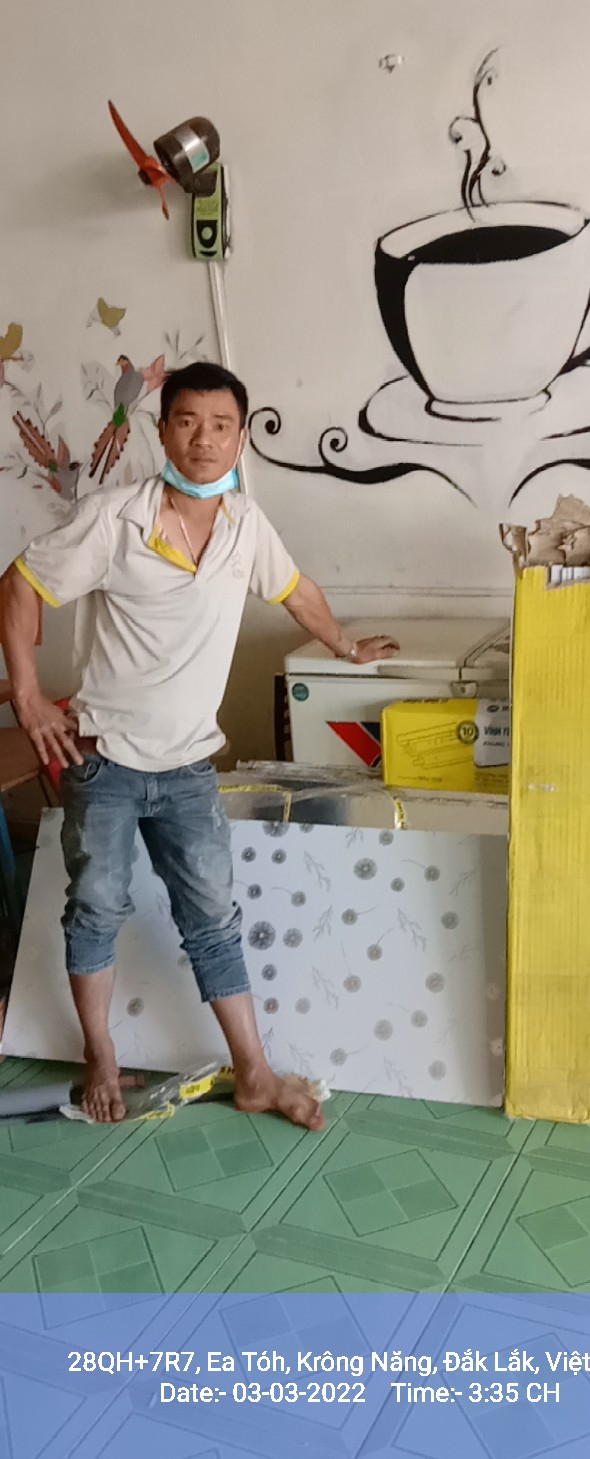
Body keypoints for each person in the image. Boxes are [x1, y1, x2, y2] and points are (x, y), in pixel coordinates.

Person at [0, 362, 398, 1129]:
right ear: (163, 431)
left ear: (241, 437)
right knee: (96, 909)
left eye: (221, 425)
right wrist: (26, 695)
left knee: (212, 917)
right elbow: (20, 583)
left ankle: (255, 1073)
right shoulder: (115, 519)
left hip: (187, 767)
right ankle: (100, 1057)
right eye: (187, 422)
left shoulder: (246, 523)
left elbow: (296, 589)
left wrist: (344, 644)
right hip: (104, 762)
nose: (204, 439)